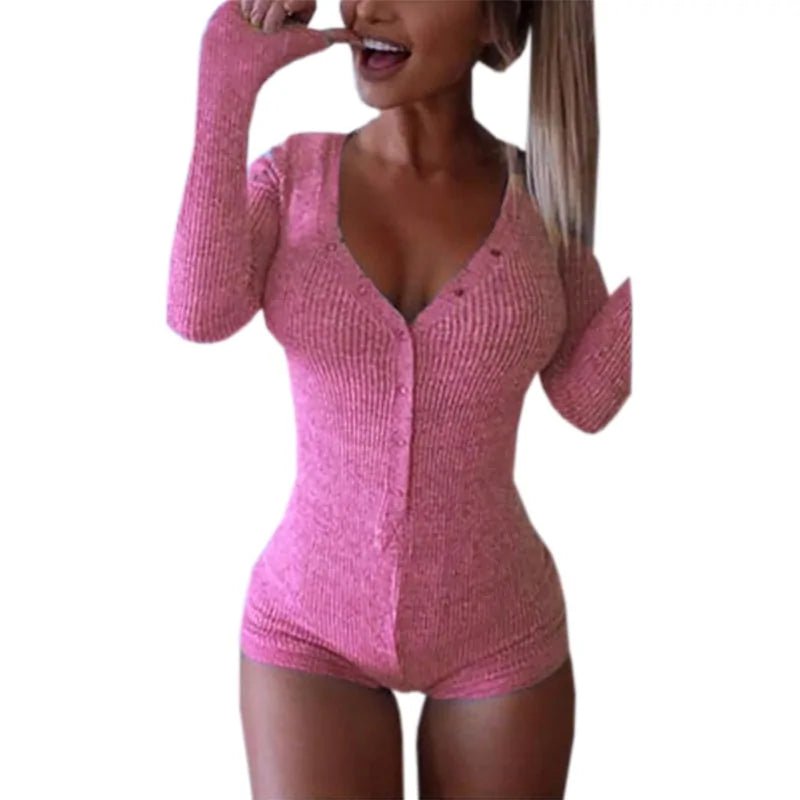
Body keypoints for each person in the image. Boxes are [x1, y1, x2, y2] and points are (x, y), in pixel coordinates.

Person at [166, 1, 632, 797]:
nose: (367, 5)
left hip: (499, 630)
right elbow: (198, 313)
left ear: (495, 20)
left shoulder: (541, 202)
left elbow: (585, 398)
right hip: (308, 629)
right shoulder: (294, 178)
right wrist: (224, 87)